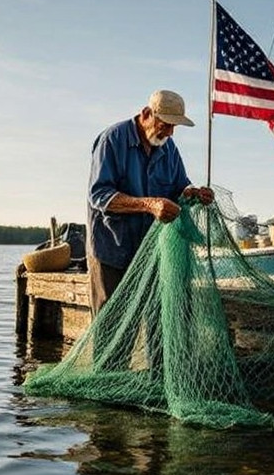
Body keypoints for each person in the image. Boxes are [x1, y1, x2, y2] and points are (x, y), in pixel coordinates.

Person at [87, 89, 214, 316]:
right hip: (112, 253)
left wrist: (193, 193)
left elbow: (179, 187)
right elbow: (99, 195)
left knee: (156, 322)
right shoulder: (112, 140)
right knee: (111, 326)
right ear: (146, 114)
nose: (170, 132)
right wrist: (150, 204)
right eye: (166, 124)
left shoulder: (168, 148)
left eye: (174, 127)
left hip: (150, 254)